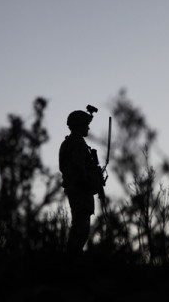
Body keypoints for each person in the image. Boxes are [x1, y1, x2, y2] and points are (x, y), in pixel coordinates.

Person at [59, 110, 100, 256]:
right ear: (79, 125)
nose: (88, 128)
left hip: (79, 190)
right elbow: (78, 170)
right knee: (80, 230)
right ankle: (72, 263)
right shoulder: (76, 143)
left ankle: (73, 260)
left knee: (80, 228)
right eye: (86, 125)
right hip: (80, 191)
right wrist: (91, 182)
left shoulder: (73, 142)